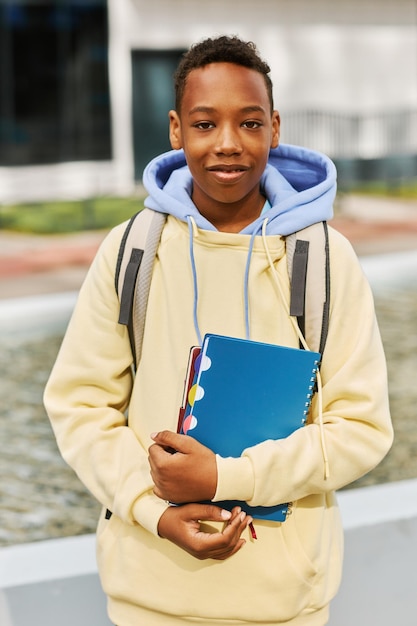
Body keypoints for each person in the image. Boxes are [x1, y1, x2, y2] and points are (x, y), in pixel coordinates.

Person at [44, 35, 393, 625]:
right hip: (148, 597)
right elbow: (80, 408)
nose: (228, 144)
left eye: (249, 123)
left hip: (283, 604)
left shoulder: (325, 260)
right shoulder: (132, 251)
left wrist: (227, 477)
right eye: (205, 125)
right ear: (177, 131)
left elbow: (360, 428)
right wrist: (152, 509)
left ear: (275, 128)